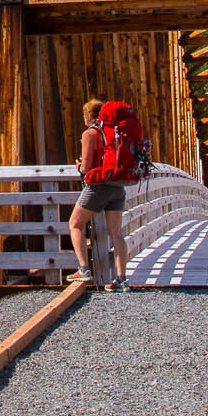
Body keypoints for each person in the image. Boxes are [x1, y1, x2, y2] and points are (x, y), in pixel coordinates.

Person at [68, 98, 142, 291]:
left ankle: (84, 269)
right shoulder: (114, 133)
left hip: (99, 187)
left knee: (75, 224)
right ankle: (121, 279)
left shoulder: (90, 133)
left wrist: (79, 167)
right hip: (118, 187)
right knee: (117, 234)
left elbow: (86, 167)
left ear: (88, 115)